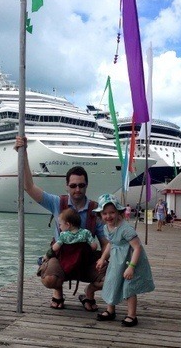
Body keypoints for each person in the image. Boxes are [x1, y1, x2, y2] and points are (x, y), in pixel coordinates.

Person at [14, 135, 107, 311]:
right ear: (66, 186)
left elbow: (104, 243)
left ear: (86, 185)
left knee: (110, 276)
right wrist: (24, 152)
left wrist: (106, 260)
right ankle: (58, 291)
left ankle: (89, 293)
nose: (77, 189)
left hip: (86, 259)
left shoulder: (96, 210)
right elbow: (29, 187)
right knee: (49, 278)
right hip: (62, 257)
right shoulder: (57, 203)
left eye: (81, 185)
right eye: (73, 186)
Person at [94, 194, 155, 327]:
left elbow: (137, 247)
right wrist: (103, 258)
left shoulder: (125, 229)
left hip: (130, 260)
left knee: (129, 287)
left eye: (112, 212)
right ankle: (110, 310)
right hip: (117, 261)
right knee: (111, 282)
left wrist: (131, 267)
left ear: (118, 212)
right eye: (104, 213)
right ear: (100, 215)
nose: (108, 216)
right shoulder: (106, 227)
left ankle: (132, 315)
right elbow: (111, 243)